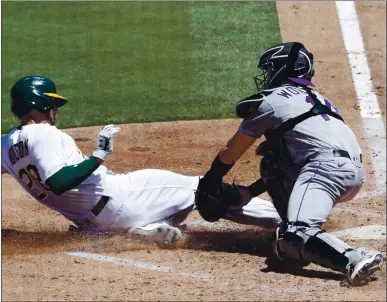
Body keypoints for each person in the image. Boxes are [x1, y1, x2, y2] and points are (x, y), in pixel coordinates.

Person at [1, 75, 281, 246]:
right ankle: (288, 222)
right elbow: (58, 182)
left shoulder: (6, 144)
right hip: (121, 198)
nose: (55, 112)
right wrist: (99, 156)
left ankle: (146, 230)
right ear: (39, 105)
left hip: (94, 223)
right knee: (202, 188)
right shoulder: (46, 135)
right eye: (52, 105)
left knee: (171, 212)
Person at [194, 42, 384, 286]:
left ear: (283, 70)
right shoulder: (320, 100)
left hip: (324, 170)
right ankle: (296, 234)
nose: (267, 76)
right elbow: (289, 161)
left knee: (294, 234)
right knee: (272, 160)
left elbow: (231, 151)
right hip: (352, 174)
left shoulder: (270, 101)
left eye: (271, 69)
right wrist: (250, 193)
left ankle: (354, 257)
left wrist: (211, 180)